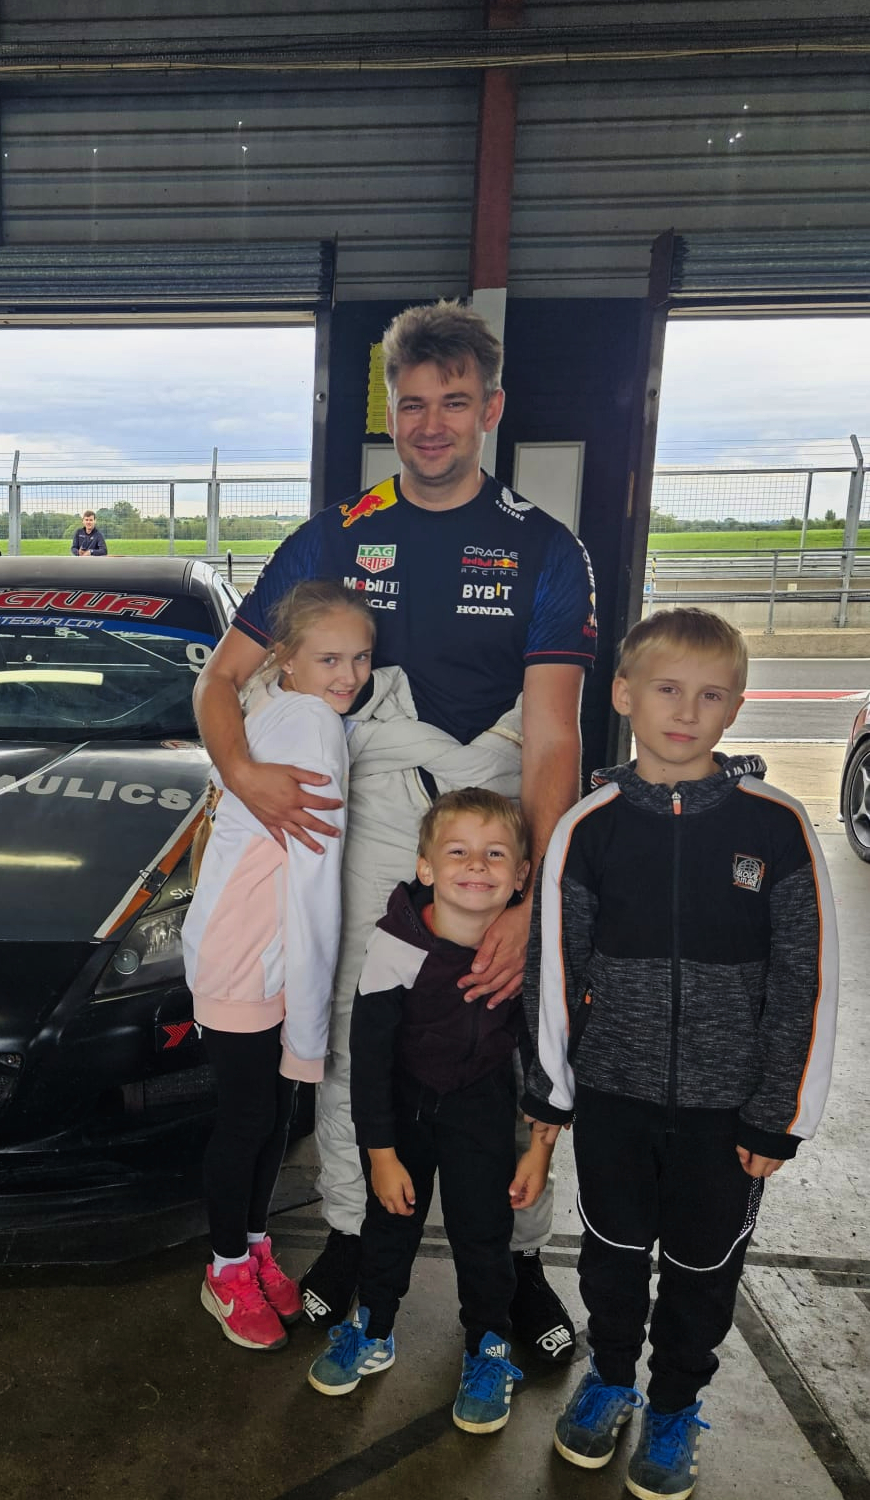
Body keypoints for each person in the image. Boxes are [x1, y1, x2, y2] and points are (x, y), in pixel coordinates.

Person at [192, 298, 597, 1359]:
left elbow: (555, 737)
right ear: (389, 410)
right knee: (343, 1019)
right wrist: (244, 775)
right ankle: (348, 1233)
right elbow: (222, 680)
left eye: (453, 403)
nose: (430, 424)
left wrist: (532, 896)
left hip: (495, 805)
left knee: (503, 1021)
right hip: (363, 802)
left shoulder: (546, 549)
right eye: (412, 404)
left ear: (489, 410)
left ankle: (512, 1259)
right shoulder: (334, 531)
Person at [525, 608, 838, 1500]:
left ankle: (673, 1405)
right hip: (614, 1099)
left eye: (710, 696)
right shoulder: (589, 828)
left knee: (704, 1267)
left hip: (727, 1112)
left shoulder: (776, 828)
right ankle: (613, 1378)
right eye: (667, 689)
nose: (686, 711)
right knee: (611, 1253)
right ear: (624, 695)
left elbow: (807, 982)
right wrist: (549, 1102)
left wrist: (780, 1114)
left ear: (735, 708)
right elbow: (554, 969)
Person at [308, 789, 550, 1439]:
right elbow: (370, 1056)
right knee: (388, 1228)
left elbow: (545, 1051)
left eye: (496, 853)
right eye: (458, 852)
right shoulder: (396, 944)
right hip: (405, 1107)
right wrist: (380, 1155)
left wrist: (539, 1147)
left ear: (522, 874)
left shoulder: (525, 953)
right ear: (426, 867)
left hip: (483, 1106)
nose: (477, 865)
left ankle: (489, 1348)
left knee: (484, 1233)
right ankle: (374, 1328)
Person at [183, 581, 374, 1351]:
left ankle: (255, 1246)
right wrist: (313, 993)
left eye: (361, 658)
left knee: (268, 1116)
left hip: (261, 948)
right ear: (285, 659)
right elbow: (313, 879)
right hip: (245, 953)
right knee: (249, 1119)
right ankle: (226, 1270)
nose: (348, 675)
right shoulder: (309, 722)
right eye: (329, 657)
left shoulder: (286, 710)